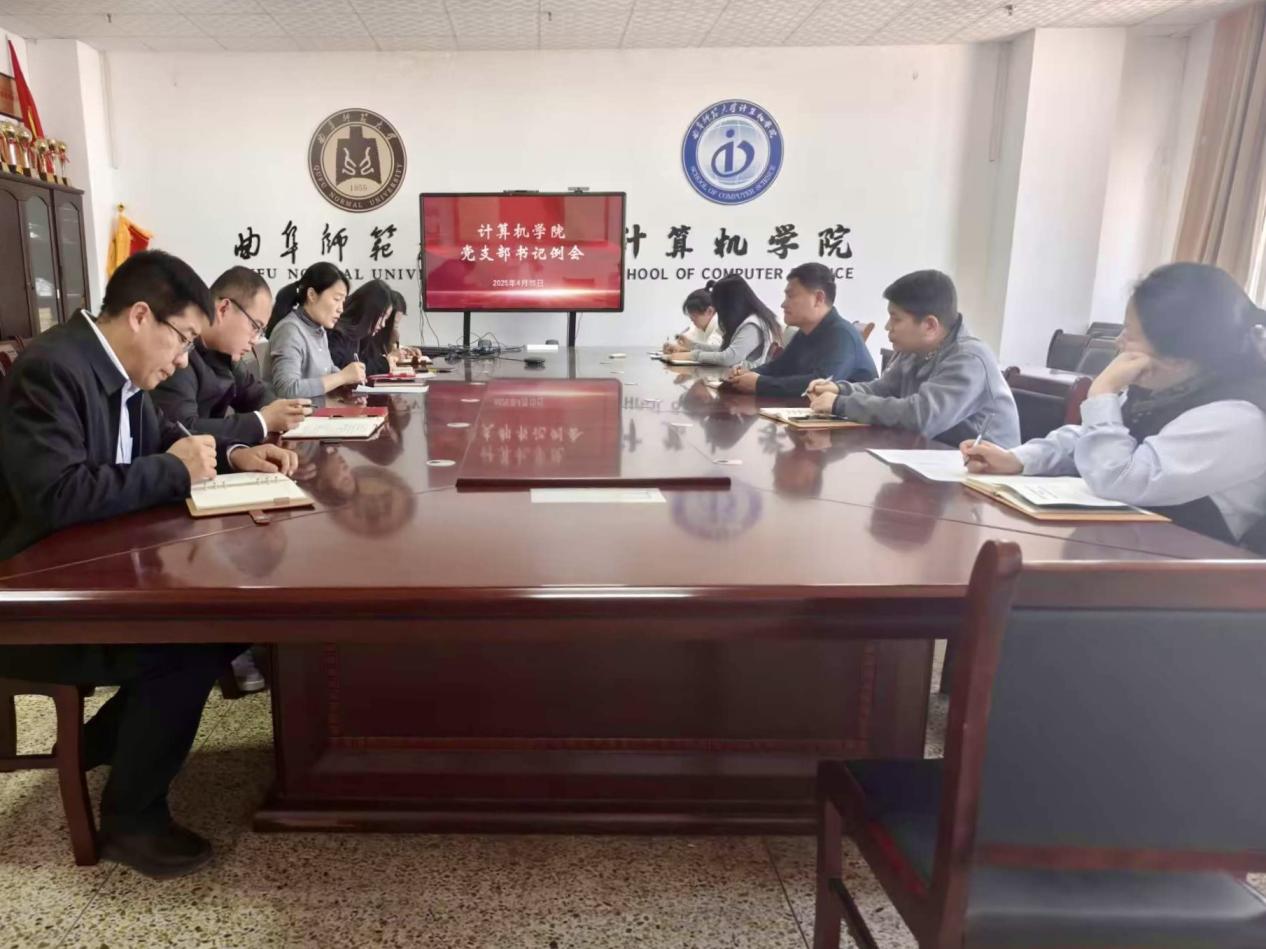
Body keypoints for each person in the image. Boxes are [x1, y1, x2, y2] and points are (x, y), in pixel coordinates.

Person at [0, 250, 298, 878]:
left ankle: (107, 740)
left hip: (90, 569)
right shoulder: (52, 369)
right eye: (183, 338)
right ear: (141, 316)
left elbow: (162, 436)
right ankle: (131, 819)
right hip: (33, 597)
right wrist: (173, 471)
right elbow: (57, 496)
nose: (185, 358)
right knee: (188, 640)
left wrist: (232, 455)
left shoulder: (121, 371)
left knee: (235, 621)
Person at [963, 263, 1266, 546]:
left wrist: (1102, 393)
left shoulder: (1237, 416)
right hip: (1126, 546)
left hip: (1191, 566)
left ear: (1177, 359)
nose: (1117, 341)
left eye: (1130, 334)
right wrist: (1020, 459)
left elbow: (1120, 479)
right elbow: (1091, 439)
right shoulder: (1170, 385)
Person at [805, 270, 1020, 448]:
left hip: (982, 475)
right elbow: (882, 389)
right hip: (932, 459)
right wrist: (839, 390)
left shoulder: (969, 359)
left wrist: (841, 404)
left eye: (896, 318)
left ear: (929, 325)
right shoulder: (913, 349)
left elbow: (921, 417)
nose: (887, 326)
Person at [152, 266, 310, 445]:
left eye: (261, 331)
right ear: (223, 309)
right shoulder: (179, 354)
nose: (255, 339)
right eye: (255, 326)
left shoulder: (225, 353)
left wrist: (280, 411)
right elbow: (182, 431)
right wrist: (263, 421)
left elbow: (255, 393)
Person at [724, 263, 875, 396]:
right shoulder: (805, 332)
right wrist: (747, 375)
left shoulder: (842, 334)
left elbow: (820, 384)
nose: (783, 304)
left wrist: (759, 383)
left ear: (818, 298)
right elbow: (779, 367)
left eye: (791, 296)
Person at [268, 262, 362, 400]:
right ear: (312, 295)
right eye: (336, 299)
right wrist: (342, 377)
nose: (341, 309)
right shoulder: (289, 331)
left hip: (319, 409)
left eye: (343, 301)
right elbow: (287, 390)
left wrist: (347, 386)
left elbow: (327, 370)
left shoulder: (318, 328)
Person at [671, 275, 781, 368]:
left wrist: (692, 356)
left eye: (720, 309)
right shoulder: (749, 320)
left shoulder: (753, 324)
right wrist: (692, 346)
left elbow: (729, 357)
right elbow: (725, 350)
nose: (719, 315)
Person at [328, 279, 394, 376]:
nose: (383, 324)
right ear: (368, 310)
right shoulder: (336, 333)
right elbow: (345, 369)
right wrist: (383, 365)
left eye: (386, 319)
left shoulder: (360, 335)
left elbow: (364, 360)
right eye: (381, 316)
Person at [662, 287, 723, 353]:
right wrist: (672, 346)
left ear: (709, 311)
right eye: (690, 315)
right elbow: (683, 340)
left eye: (694, 316)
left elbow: (713, 350)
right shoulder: (697, 325)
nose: (691, 319)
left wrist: (683, 349)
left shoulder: (721, 324)